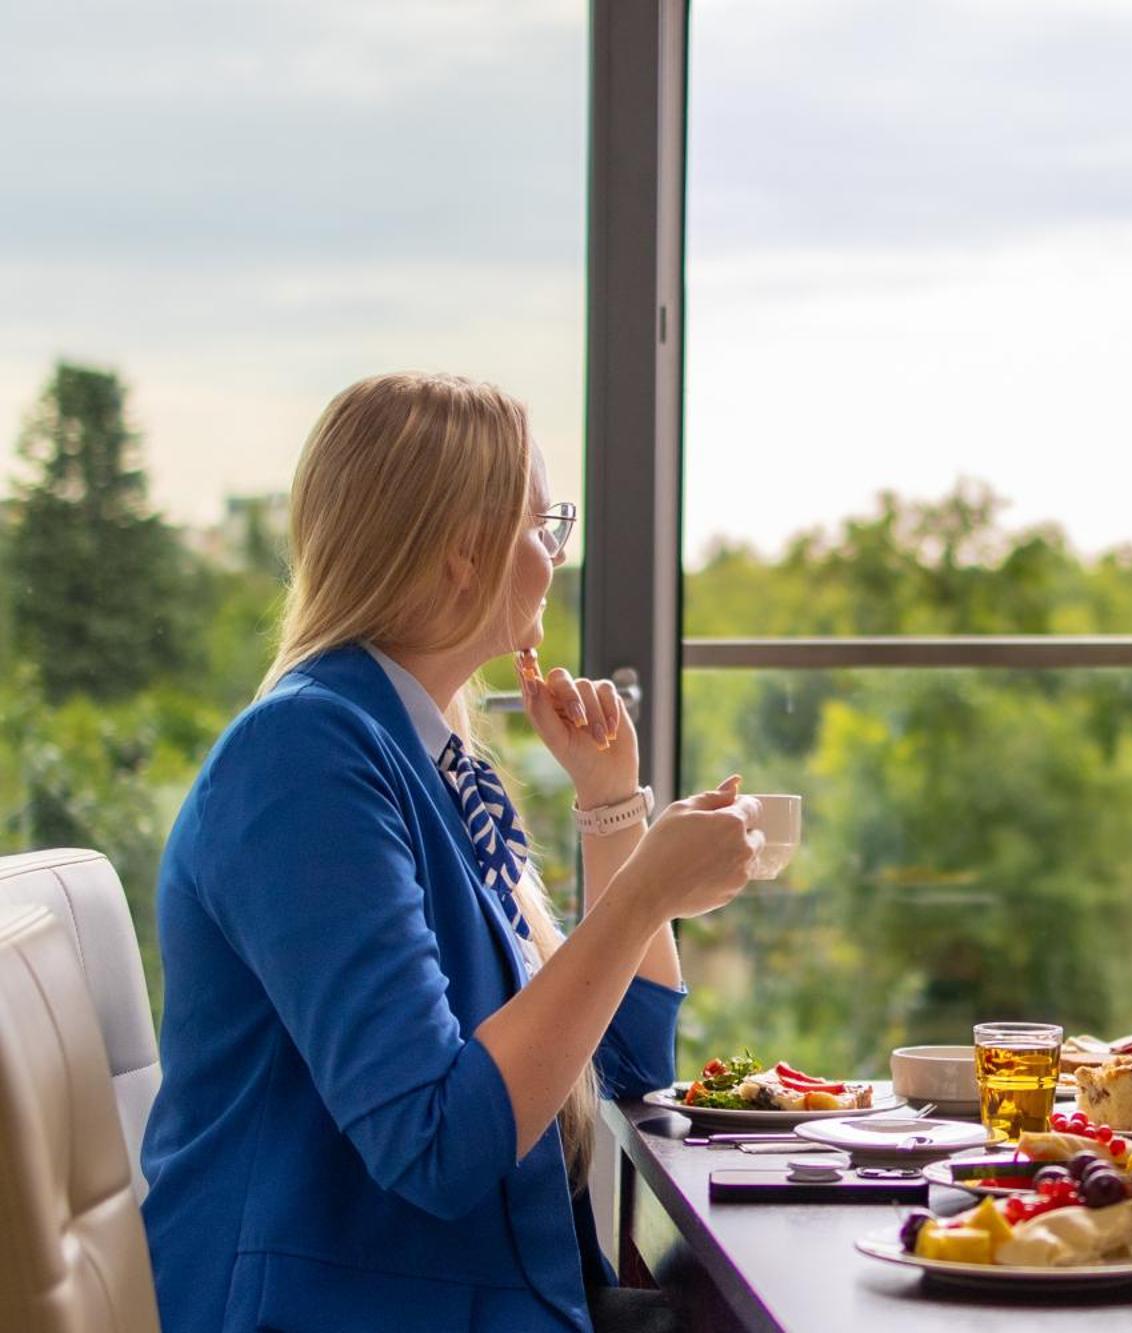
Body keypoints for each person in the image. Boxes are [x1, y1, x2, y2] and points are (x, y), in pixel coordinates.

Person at [139, 371, 756, 1331]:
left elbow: (629, 1055)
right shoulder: (304, 759)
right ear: (462, 552)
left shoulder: (426, 755)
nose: (555, 560)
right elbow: (436, 1144)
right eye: (542, 527)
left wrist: (611, 812)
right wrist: (640, 897)